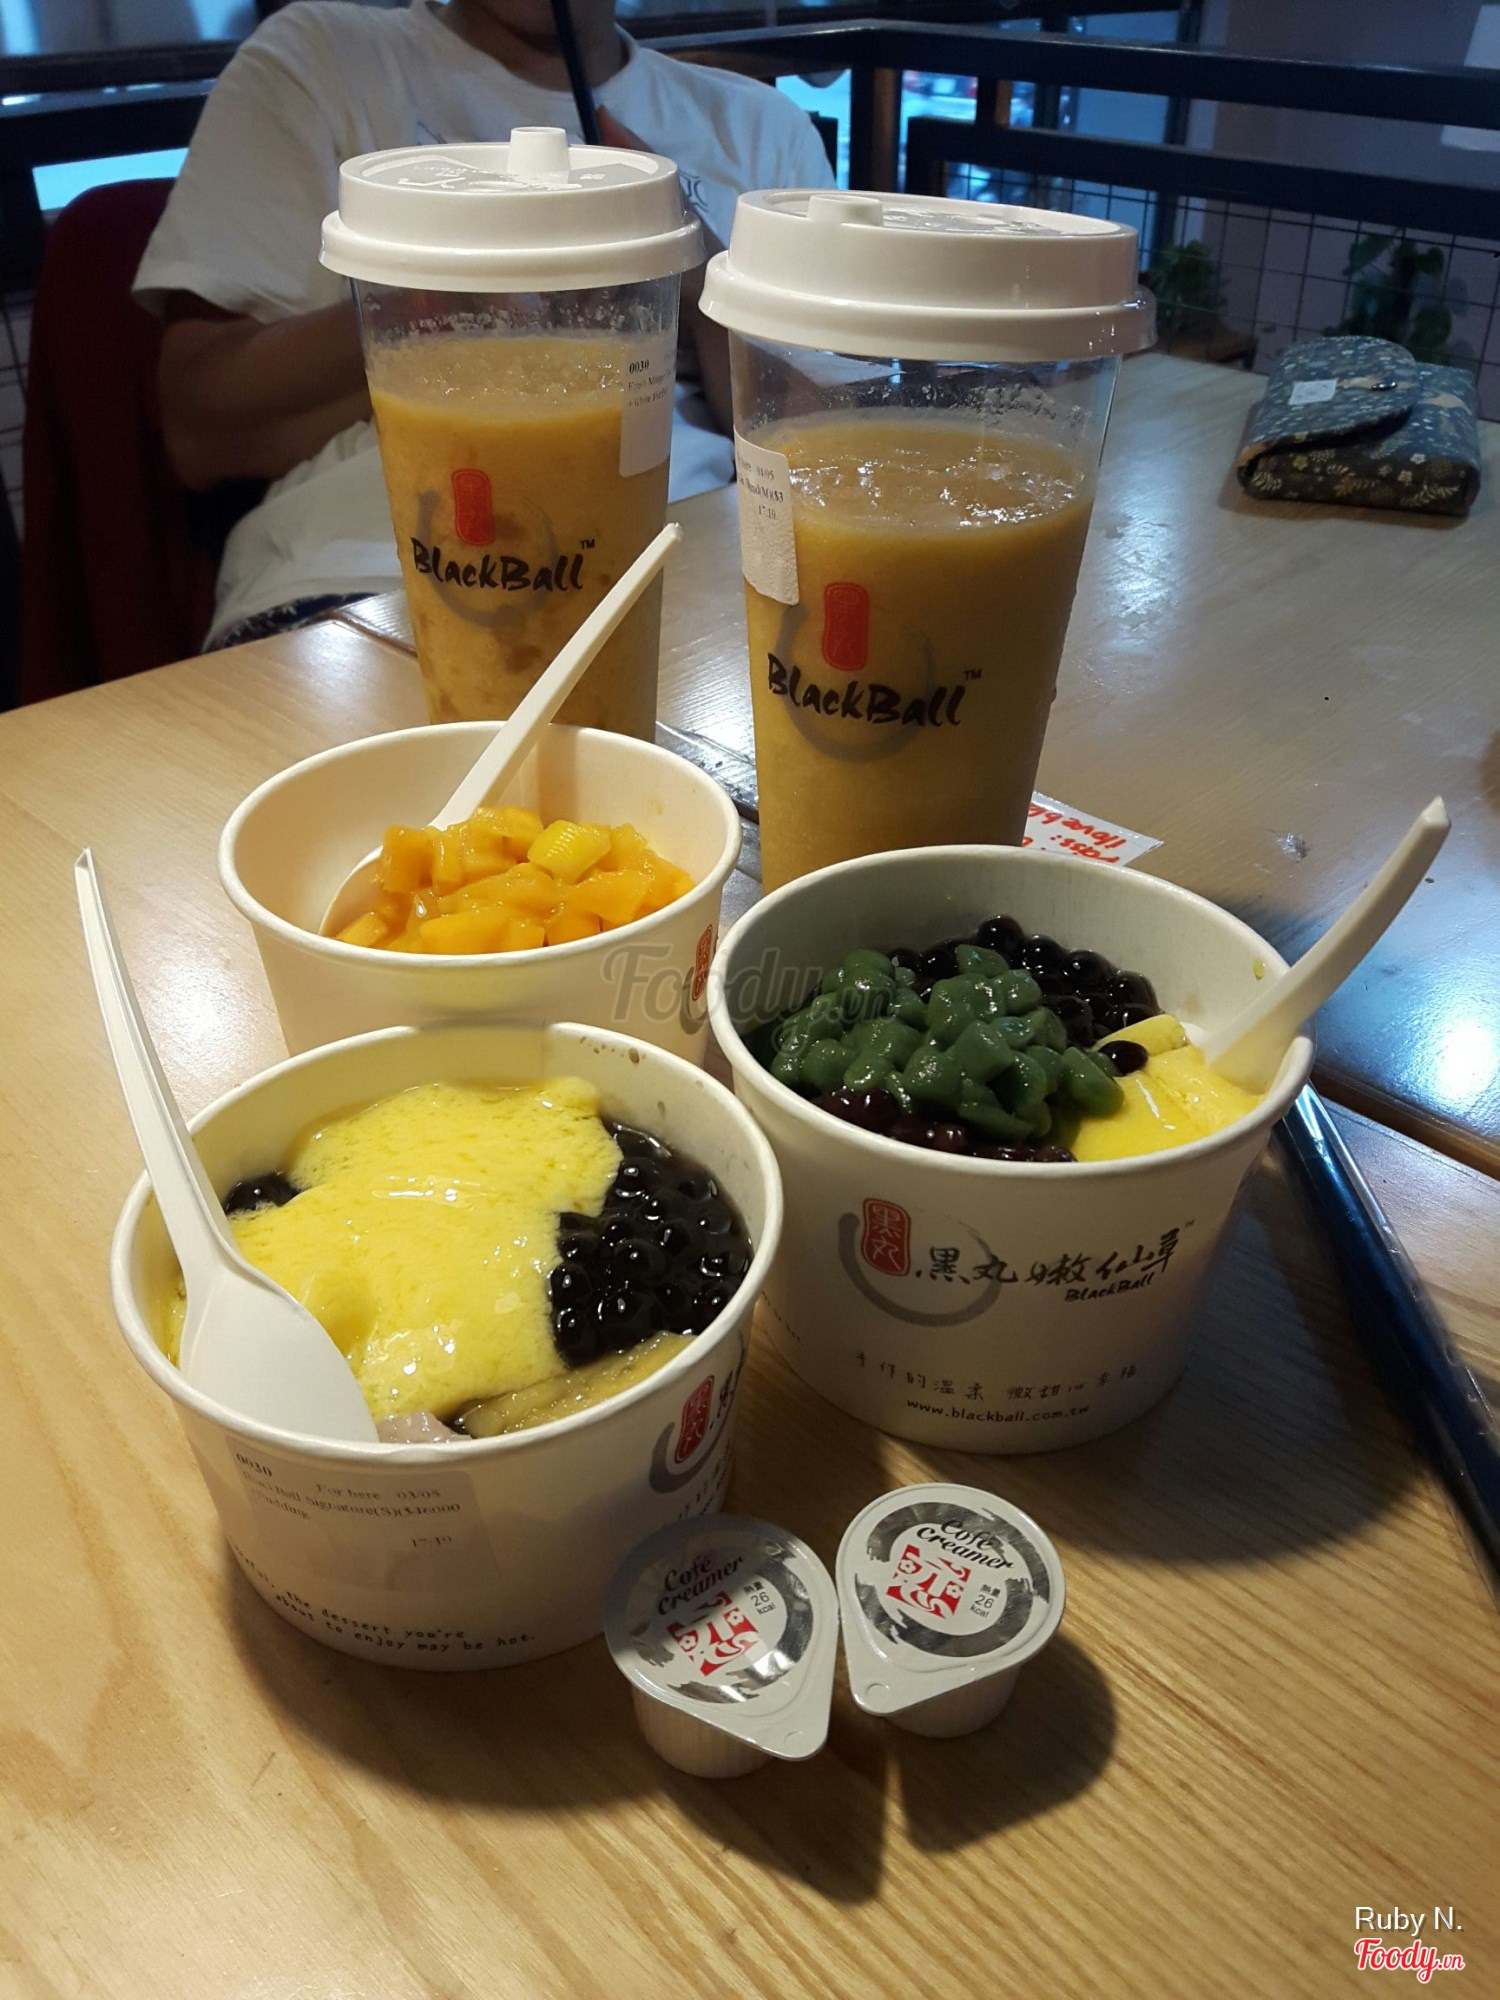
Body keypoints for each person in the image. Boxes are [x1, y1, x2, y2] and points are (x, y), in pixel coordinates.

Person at [134, 0, 835, 647]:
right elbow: (200, 431)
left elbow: (836, 464)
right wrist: (459, 290)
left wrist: (695, 282)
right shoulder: (320, 58)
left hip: (692, 577)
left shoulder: (760, 125)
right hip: (362, 581)